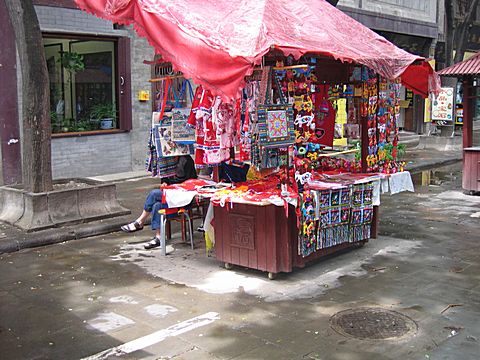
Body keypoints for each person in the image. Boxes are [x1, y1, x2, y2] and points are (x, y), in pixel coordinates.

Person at [121, 155, 197, 249]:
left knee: (154, 194)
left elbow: (191, 181)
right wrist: (164, 183)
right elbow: (165, 178)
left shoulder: (186, 160)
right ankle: (159, 237)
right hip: (170, 195)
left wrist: (173, 186)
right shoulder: (166, 161)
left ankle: (140, 221)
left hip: (183, 195)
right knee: (157, 205)